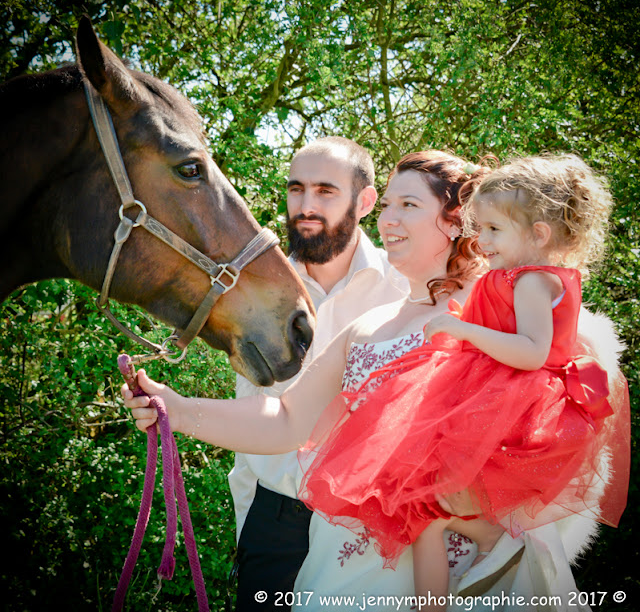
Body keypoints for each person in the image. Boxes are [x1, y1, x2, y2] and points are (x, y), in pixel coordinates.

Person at [123, 151, 628, 610]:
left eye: (408, 204)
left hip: (470, 565)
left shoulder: (502, 313)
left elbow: (564, 413)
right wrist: (177, 409)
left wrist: (475, 507)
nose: (386, 219)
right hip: (347, 565)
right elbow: (287, 418)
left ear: (457, 222)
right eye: (385, 204)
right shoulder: (365, 328)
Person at [297, 153, 629, 608]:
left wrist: (462, 329)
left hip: (514, 399)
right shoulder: (514, 278)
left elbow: (533, 351)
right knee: (429, 504)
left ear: (539, 233)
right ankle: (463, 561)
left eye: (493, 230)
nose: (483, 239)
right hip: (497, 390)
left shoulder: (532, 282)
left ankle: (458, 573)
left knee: (431, 504)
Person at [229, 136, 409, 611]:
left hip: (368, 528)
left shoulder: (407, 289)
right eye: (296, 189)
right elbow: (250, 417)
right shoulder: (255, 293)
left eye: (326, 191)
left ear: (365, 201)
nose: (305, 206)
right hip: (274, 523)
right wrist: (250, 528)